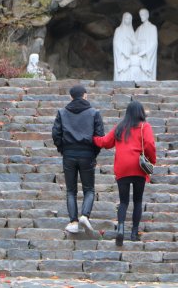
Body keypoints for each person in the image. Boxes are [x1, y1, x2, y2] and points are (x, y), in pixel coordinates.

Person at [93, 101, 156, 246]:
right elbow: (150, 144)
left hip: (122, 167)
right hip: (138, 167)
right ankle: (134, 233)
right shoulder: (144, 127)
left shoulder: (120, 127)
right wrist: (152, 160)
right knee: (138, 201)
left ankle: (120, 228)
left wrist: (93, 138)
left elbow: (105, 142)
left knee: (123, 201)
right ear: (141, 113)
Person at [52, 85, 104, 234]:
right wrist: (93, 152)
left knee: (71, 190)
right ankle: (85, 215)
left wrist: (63, 149)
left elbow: (56, 134)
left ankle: (73, 221)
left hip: (69, 154)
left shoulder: (62, 113)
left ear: (71, 97)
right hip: (87, 154)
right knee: (89, 189)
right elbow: (99, 136)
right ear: (85, 96)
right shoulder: (94, 113)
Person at [134, 8, 158, 81]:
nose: (141, 17)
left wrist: (144, 52)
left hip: (147, 53)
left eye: (143, 15)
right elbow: (134, 41)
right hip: (139, 52)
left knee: (147, 73)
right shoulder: (139, 29)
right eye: (140, 15)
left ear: (147, 15)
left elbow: (154, 43)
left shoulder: (153, 28)